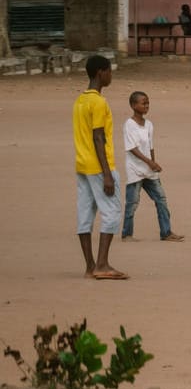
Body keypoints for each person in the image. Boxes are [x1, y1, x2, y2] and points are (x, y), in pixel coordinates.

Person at [74, 55, 126, 279]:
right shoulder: (98, 102)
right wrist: (107, 173)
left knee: (85, 214)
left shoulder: (80, 101)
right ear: (100, 73)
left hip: (82, 165)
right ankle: (102, 265)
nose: (110, 75)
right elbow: (98, 137)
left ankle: (90, 266)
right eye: (109, 71)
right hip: (98, 166)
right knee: (112, 212)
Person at [121, 91, 184, 242]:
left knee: (161, 199)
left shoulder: (149, 124)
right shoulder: (129, 125)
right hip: (135, 170)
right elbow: (132, 148)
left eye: (148, 103)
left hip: (149, 170)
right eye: (143, 103)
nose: (146, 106)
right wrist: (150, 162)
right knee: (132, 203)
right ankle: (127, 234)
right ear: (133, 105)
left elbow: (150, 147)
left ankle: (166, 232)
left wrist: (153, 164)